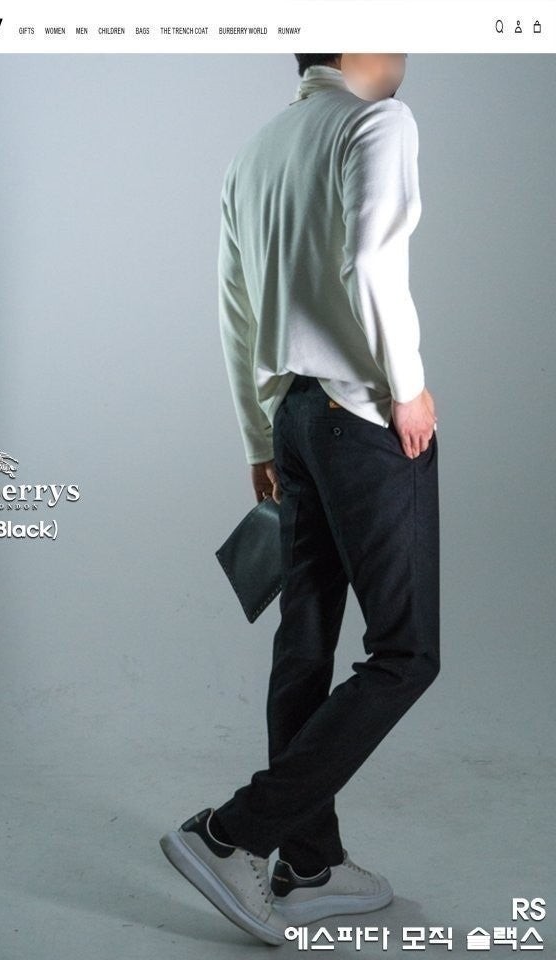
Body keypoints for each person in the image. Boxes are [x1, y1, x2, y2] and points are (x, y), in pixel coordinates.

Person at [160, 53, 440, 946]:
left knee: (306, 643)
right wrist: (409, 389)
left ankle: (310, 864)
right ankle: (232, 834)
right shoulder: (377, 121)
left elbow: (235, 309)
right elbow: (373, 258)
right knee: (406, 654)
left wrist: (258, 437)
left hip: (294, 421)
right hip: (363, 415)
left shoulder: (256, 151)